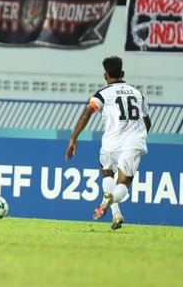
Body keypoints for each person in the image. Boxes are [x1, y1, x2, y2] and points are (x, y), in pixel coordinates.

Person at [65, 56, 152, 231]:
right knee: (123, 184)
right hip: (133, 141)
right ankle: (110, 200)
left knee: (107, 174)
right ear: (123, 73)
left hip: (111, 143)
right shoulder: (137, 94)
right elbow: (147, 121)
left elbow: (86, 115)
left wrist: (73, 138)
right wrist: (139, 137)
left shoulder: (102, 94)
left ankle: (116, 213)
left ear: (106, 76)